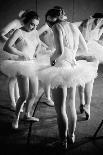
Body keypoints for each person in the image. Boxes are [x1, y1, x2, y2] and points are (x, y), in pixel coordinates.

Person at [37, 8, 98, 149]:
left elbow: (59, 52)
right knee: (71, 104)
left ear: (51, 19)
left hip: (60, 69)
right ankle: (71, 135)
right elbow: (83, 47)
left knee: (60, 109)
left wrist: (51, 60)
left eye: (47, 20)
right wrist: (73, 56)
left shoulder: (57, 27)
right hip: (72, 69)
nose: (48, 23)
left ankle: (62, 140)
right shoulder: (72, 26)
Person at [1, 10, 45, 129]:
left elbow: (39, 43)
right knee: (24, 95)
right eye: (32, 24)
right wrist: (22, 54)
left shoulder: (35, 31)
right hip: (22, 65)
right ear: (25, 21)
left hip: (33, 64)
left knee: (34, 94)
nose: (34, 27)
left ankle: (27, 114)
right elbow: (7, 46)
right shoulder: (18, 31)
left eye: (36, 25)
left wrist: (37, 51)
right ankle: (16, 117)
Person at [0, 9, 31, 110]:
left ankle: (18, 98)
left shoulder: (24, 26)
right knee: (13, 77)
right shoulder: (15, 22)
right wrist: (11, 44)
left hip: (16, 51)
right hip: (8, 50)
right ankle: (13, 102)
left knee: (18, 76)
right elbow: (1, 33)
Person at [77, 13, 103, 116]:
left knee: (86, 78)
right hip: (84, 52)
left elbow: (100, 40)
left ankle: (84, 103)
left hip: (93, 52)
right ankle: (84, 103)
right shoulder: (83, 24)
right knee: (83, 78)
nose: (99, 22)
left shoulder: (99, 26)